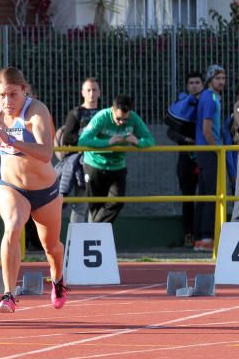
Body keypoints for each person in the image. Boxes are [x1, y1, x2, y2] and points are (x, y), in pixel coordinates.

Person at [0, 66, 67, 314]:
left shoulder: (37, 112)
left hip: (45, 190)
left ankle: (58, 279)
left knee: (51, 247)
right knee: (12, 225)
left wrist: (12, 140)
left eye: (13, 95)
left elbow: (45, 153)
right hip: (11, 185)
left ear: (24, 90)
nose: (7, 101)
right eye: (2, 95)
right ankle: (8, 294)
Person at [76, 94, 155, 225]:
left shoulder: (134, 118)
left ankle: (94, 228)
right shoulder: (102, 117)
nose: (121, 123)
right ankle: (96, 234)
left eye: (125, 119)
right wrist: (108, 142)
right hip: (95, 164)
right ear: (112, 109)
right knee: (95, 206)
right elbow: (82, 141)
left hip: (117, 166)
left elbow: (150, 141)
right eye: (118, 119)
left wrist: (138, 142)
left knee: (118, 202)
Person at [55, 78, 103, 225]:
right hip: (82, 164)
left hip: (101, 162)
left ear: (99, 92)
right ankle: (76, 242)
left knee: (97, 205)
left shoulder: (104, 113)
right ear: (82, 93)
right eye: (88, 90)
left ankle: (94, 238)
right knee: (80, 205)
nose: (91, 93)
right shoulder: (76, 113)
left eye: (94, 90)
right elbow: (68, 137)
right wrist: (93, 140)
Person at [166, 71, 204, 244]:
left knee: (205, 196)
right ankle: (188, 234)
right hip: (186, 159)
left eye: (197, 82)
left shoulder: (208, 103)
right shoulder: (181, 106)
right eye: (191, 83)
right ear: (187, 86)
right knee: (188, 197)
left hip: (205, 158)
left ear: (203, 85)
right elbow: (170, 132)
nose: (194, 85)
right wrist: (185, 139)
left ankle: (204, 235)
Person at [193, 65, 226, 252]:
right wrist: (217, 148)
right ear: (210, 80)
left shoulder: (208, 96)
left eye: (223, 78)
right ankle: (206, 237)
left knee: (205, 192)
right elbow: (207, 129)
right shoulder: (211, 99)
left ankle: (200, 238)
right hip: (209, 150)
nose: (221, 81)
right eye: (218, 78)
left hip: (205, 149)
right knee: (212, 193)